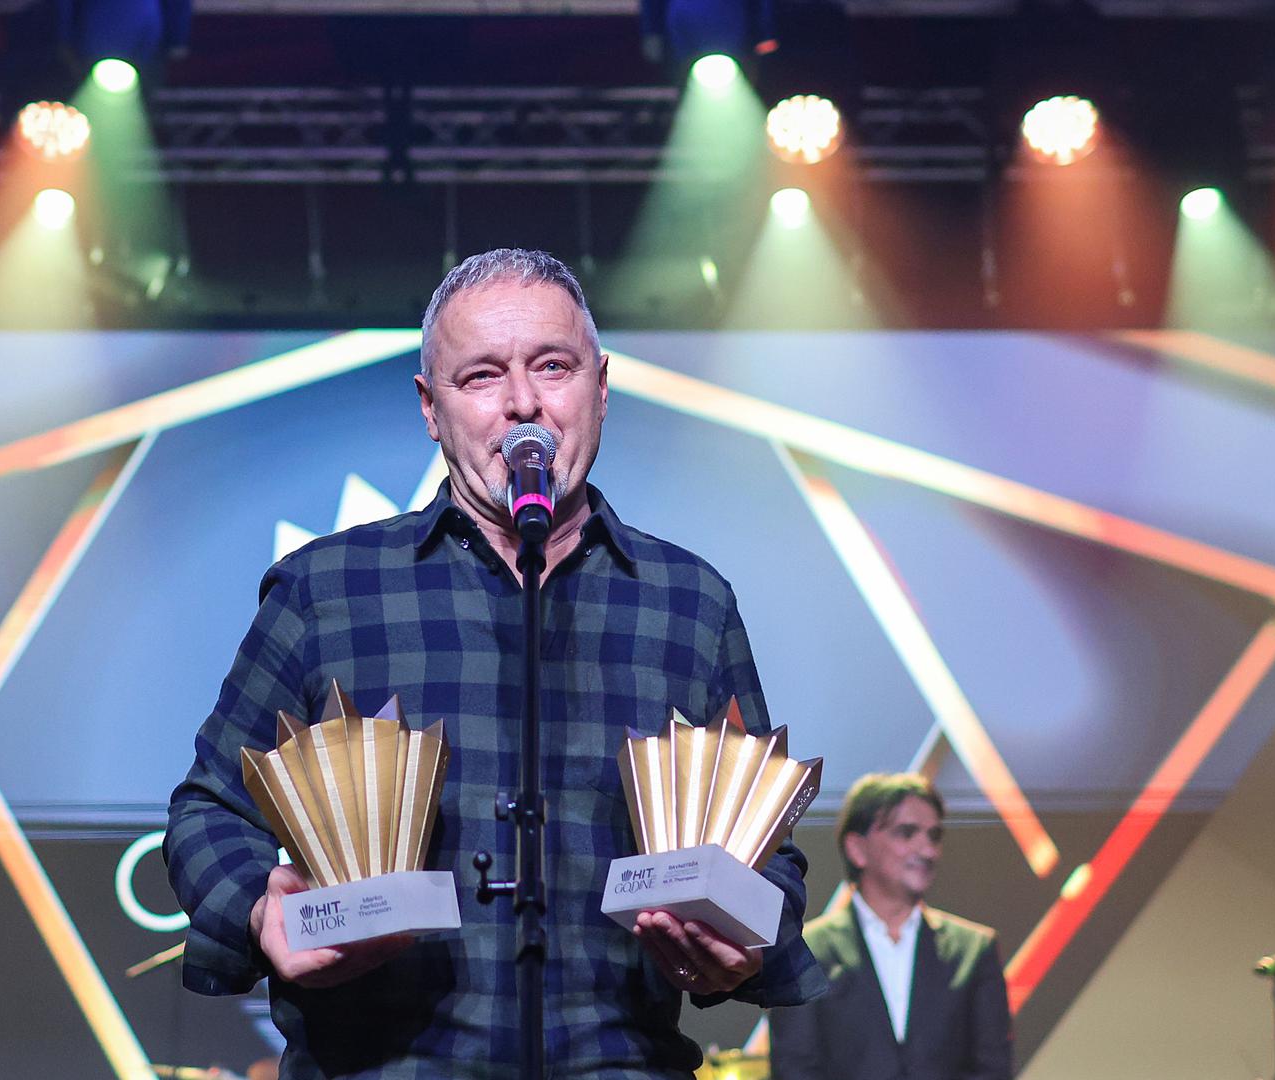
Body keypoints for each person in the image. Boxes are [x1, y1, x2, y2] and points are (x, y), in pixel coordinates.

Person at [164, 248, 827, 1079]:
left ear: (600, 387)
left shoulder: (688, 602)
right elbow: (210, 810)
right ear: (429, 408)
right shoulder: (325, 589)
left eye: (552, 367)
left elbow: (766, 849)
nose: (522, 404)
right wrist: (260, 910)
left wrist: (745, 941)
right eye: (481, 376)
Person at [768, 773, 1012, 1080]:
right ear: (857, 848)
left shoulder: (974, 950)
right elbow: (794, 1069)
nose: (928, 851)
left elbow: (992, 1069)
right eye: (907, 833)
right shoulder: (805, 952)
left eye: (934, 836)